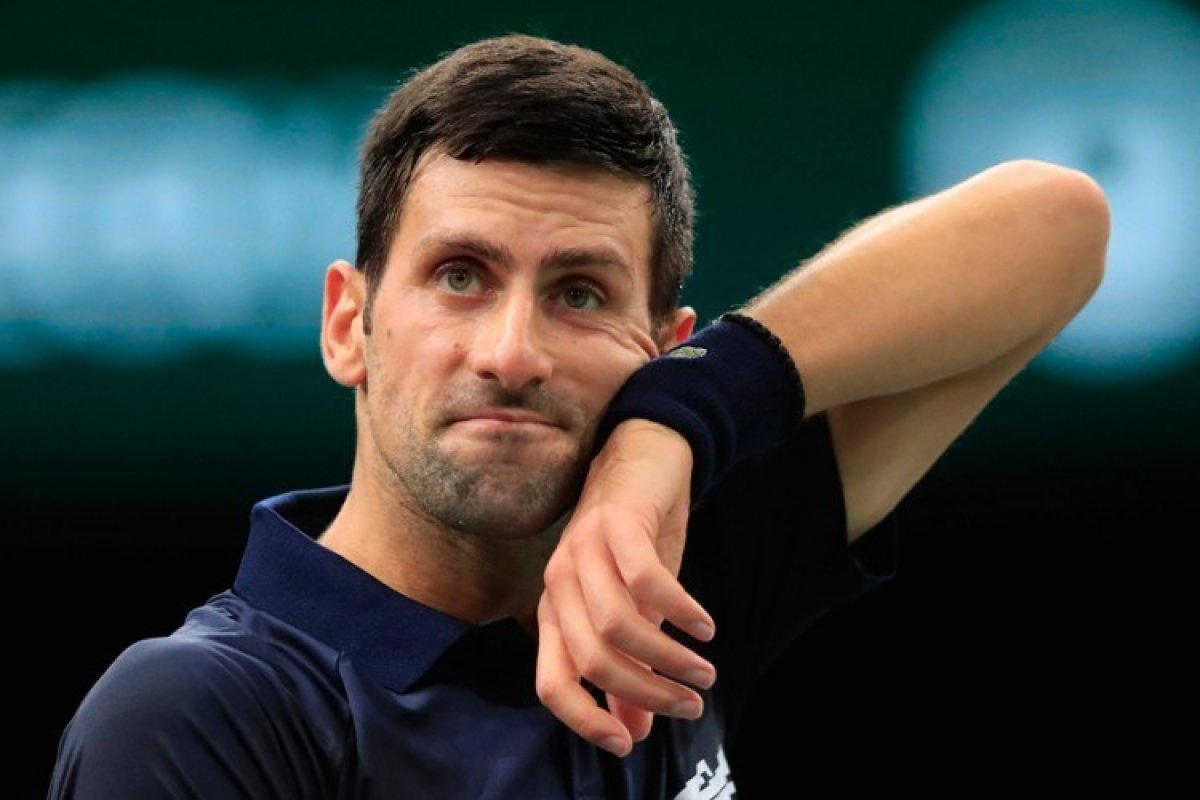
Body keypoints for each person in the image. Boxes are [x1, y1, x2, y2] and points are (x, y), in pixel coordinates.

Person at [47, 33, 1109, 799]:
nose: (512, 352)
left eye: (581, 293)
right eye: (460, 275)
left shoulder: (669, 567)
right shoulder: (199, 708)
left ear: (662, 345)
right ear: (347, 325)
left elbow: (1059, 226)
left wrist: (679, 424)